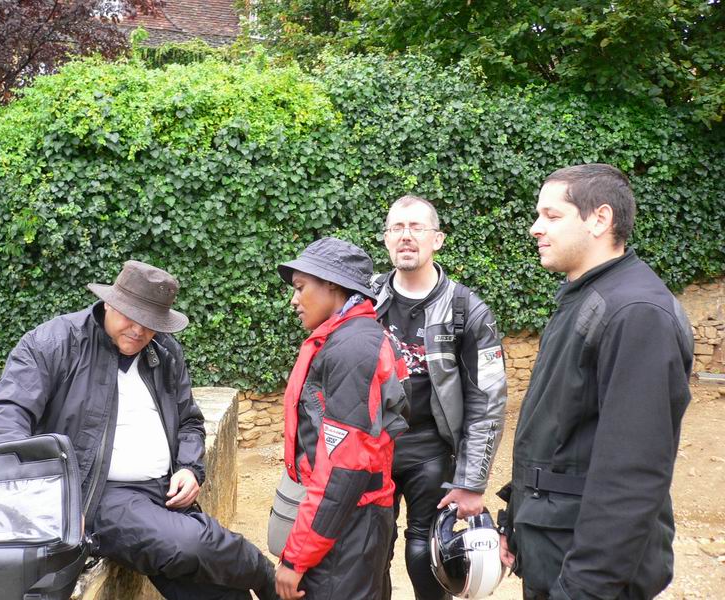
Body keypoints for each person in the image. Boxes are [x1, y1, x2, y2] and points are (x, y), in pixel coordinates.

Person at [0, 260, 279, 600]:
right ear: (110, 303)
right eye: (131, 316)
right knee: (192, 544)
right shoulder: (54, 343)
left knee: (216, 590)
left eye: (151, 323)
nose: (139, 331)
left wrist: (189, 467)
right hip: (99, 495)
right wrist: (50, 499)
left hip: (167, 493)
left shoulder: (164, 351)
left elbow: (189, 421)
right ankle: (268, 578)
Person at [498, 164, 695, 599]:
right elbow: (558, 435)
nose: (535, 228)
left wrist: (584, 588)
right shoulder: (587, 299)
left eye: (551, 216)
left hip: (590, 576)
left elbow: (632, 474)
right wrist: (517, 522)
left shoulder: (636, 313)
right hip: (553, 548)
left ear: (599, 219)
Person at [374, 195, 508, 600]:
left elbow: (488, 401)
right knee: (368, 550)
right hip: (371, 447)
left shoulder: (468, 310)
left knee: (426, 552)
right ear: (386, 239)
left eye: (417, 227)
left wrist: (471, 481)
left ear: (438, 239)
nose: (406, 236)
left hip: (430, 449)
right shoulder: (363, 300)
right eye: (397, 228)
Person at [274, 237, 409, 600]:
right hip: (352, 523)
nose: (294, 300)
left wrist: (296, 558)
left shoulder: (352, 349)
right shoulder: (350, 338)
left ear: (332, 284)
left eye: (300, 287)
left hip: (348, 529)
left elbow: (343, 471)